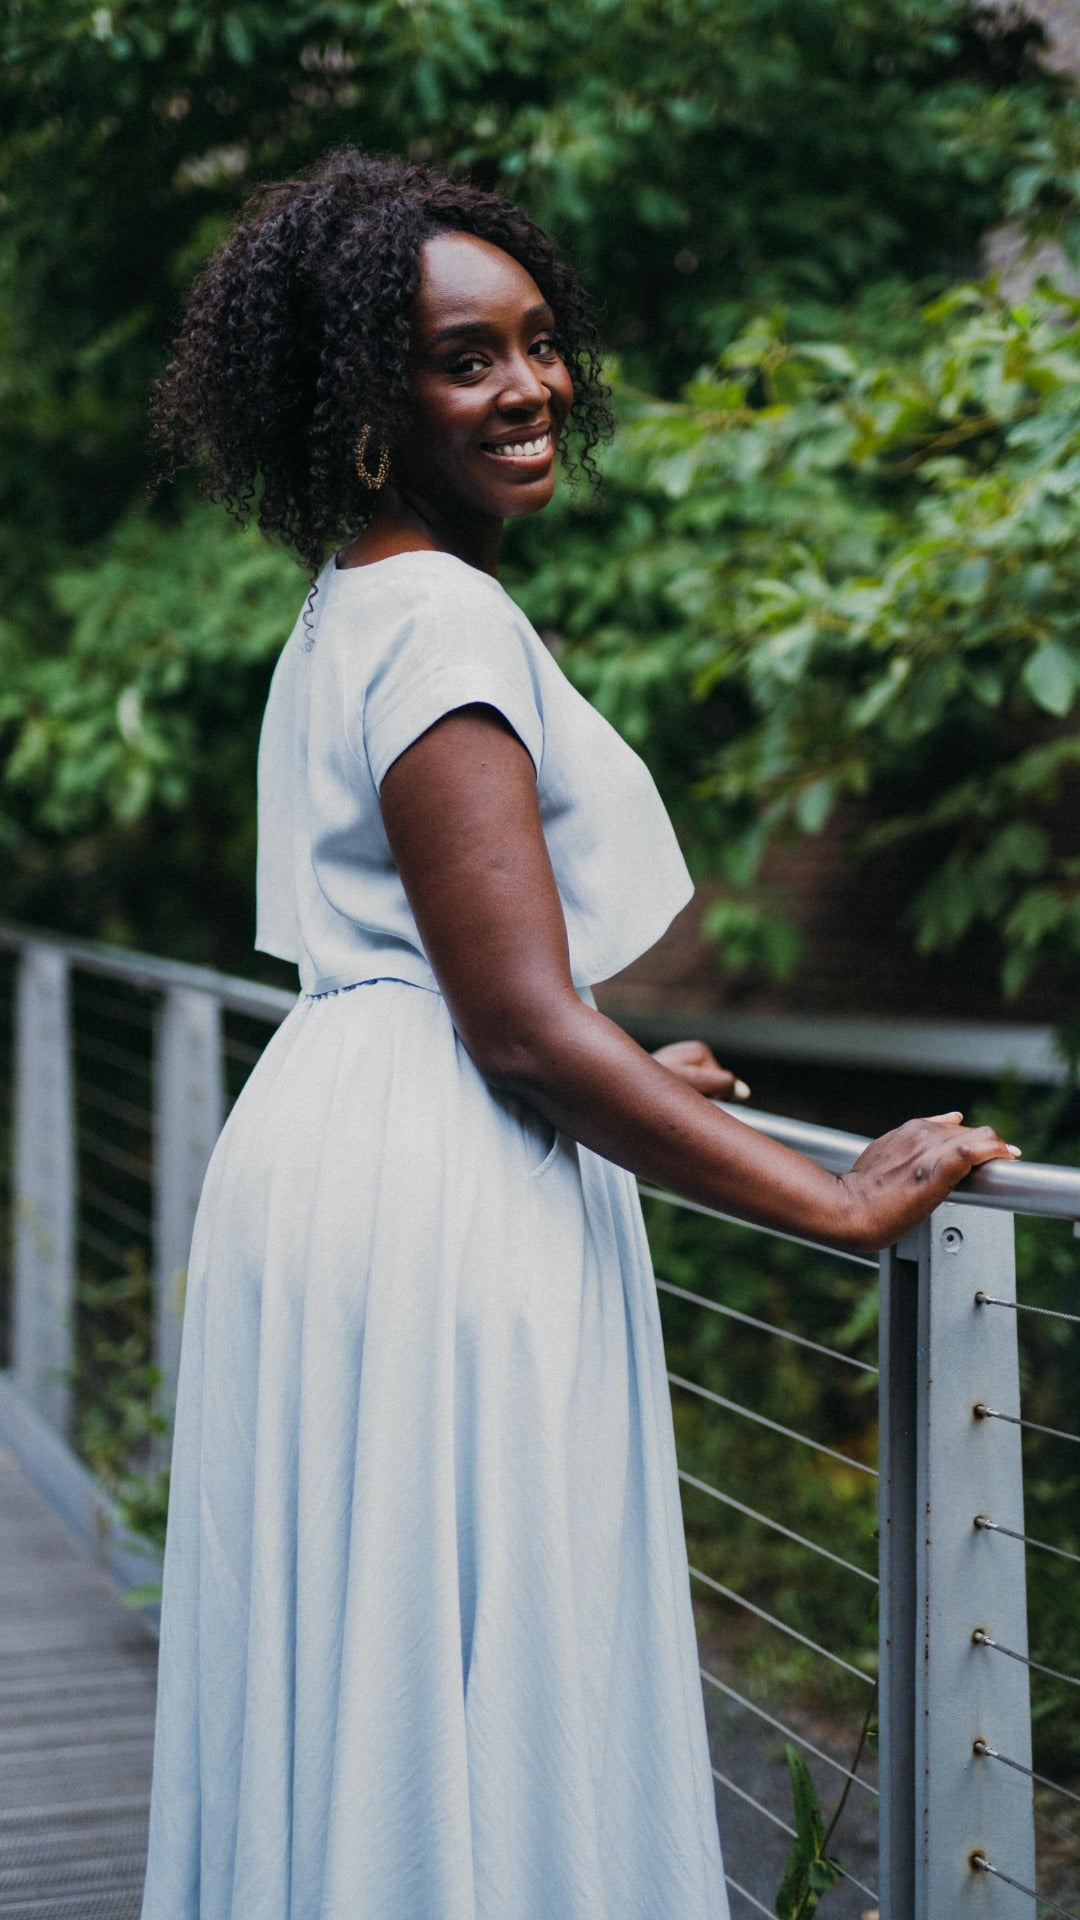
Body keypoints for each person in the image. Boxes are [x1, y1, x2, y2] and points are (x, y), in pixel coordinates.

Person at [140, 148, 1018, 1920]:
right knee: (487, 1650)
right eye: (468, 358)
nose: (530, 386)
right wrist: (835, 1202)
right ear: (369, 404)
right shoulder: (442, 613)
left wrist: (627, 1064)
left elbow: (464, 984)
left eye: (537, 342)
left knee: (374, 1649)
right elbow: (523, 1035)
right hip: (435, 1192)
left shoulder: (347, 603)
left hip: (346, 1148)